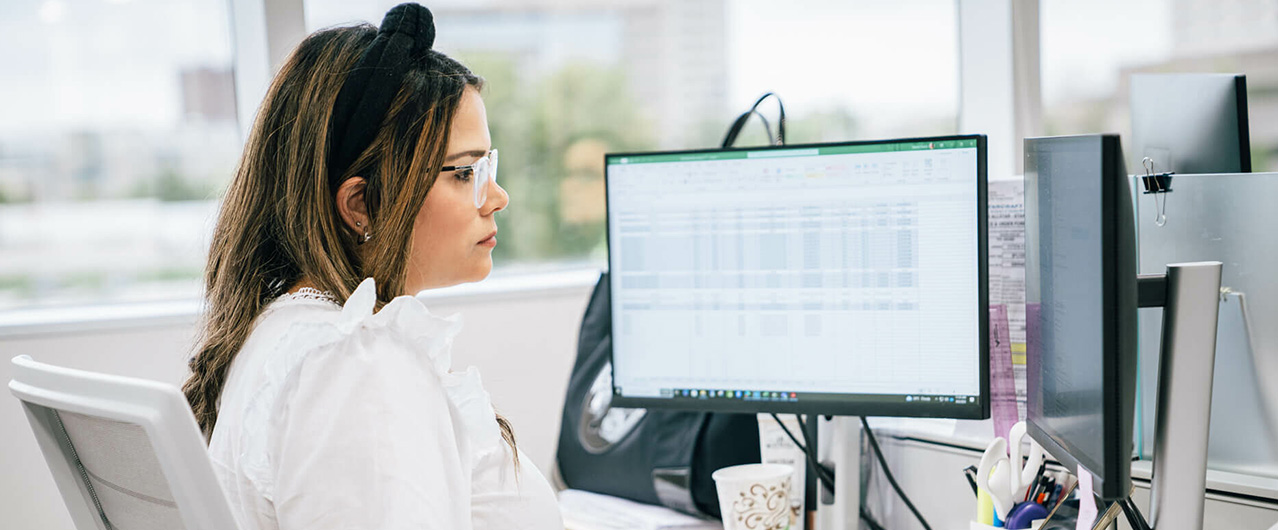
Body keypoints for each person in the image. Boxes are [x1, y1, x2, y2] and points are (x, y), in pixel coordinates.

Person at [180, 4, 564, 529]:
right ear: (360, 204)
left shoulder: (292, 334)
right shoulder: (357, 368)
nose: (496, 196)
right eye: (465, 173)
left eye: (488, 166)